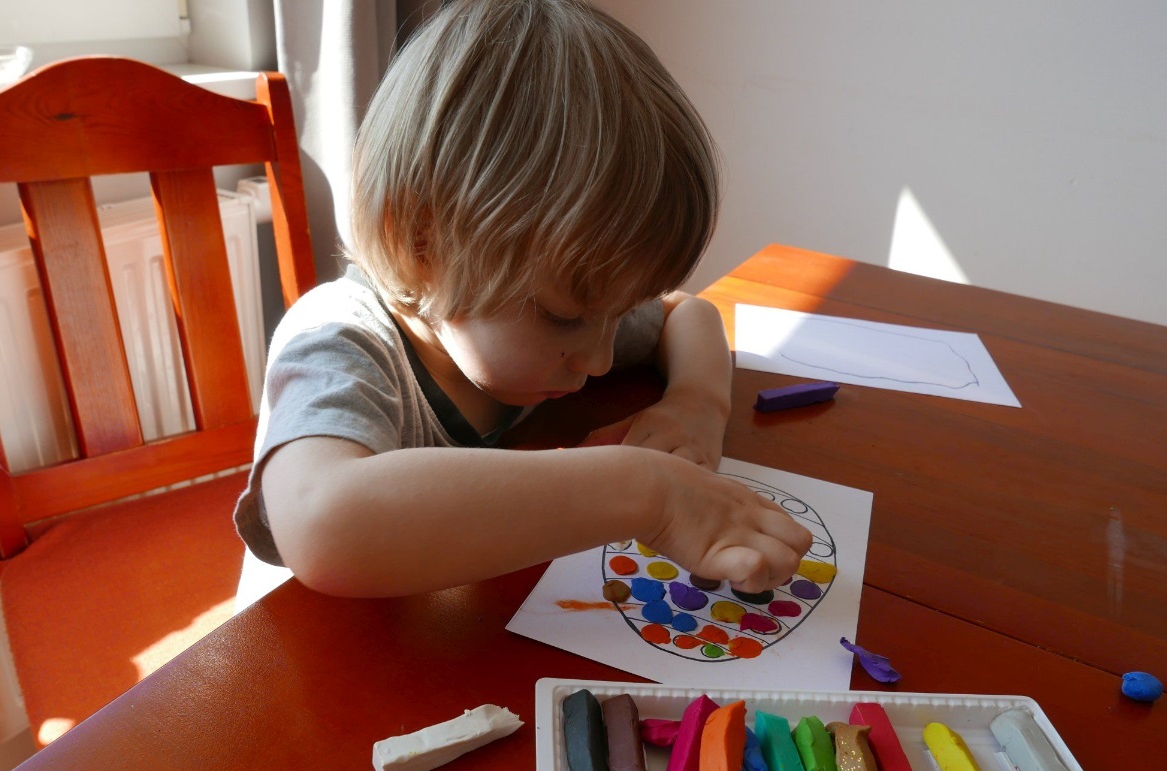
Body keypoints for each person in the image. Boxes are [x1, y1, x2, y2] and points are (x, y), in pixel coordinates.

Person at [233, 0, 812, 606]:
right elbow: (324, 524)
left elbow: (688, 313)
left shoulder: (551, 309)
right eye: (567, 318)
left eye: (619, 313)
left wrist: (697, 403)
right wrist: (646, 492)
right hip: (295, 649)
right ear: (423, 245)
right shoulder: (337, 342)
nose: (599, 360)